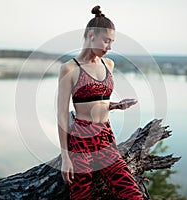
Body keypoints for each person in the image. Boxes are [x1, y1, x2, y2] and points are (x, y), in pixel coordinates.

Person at [57, 5, 144, 200]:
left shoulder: (108, 64)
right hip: (80, 140)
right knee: (82, 195)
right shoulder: (69, 68)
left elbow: (96, 100)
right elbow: (62, 114)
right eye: (106, 41)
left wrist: (116, 105)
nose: (109, 47)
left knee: (131, 193)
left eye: (111, 42)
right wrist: (65, 157)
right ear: (91, 36)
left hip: (105, 137)